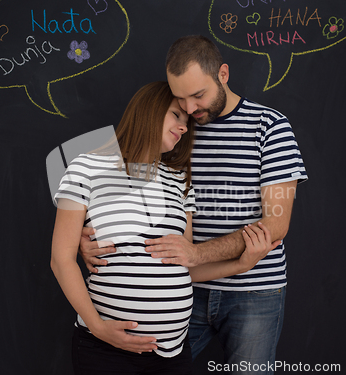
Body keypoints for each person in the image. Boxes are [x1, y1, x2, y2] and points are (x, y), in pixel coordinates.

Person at [79, 36, 308, 374]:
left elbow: (275, 225)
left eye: (198, 95)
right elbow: (113, 167)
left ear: (223, 74)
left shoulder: (270, 127)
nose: (188, 109)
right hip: (181, 287)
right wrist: (87, 231)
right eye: (180, 99)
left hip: (253, 290)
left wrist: (197, 254)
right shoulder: (177, 126)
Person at [51, 80, 279, 375]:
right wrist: (98, 327)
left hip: (172, 355)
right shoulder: (85, 167)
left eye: (187, 123)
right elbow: (61, 258)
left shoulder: (179, 181)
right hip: (105, 348)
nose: (184, 128)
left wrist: (240, 264)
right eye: (176, 115)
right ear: (149, 110)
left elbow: (185, 266)